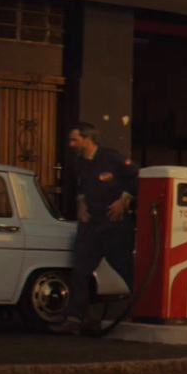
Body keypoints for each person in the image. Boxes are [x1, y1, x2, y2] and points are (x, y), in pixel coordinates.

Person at [51, 121, 140, 335]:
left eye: (75, 139)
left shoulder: (112, 158)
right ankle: (76, 319)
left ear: (87, 139)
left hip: (114, 226)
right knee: (80, 272)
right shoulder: (80, 163)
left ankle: (142, 310)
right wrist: (81, 203)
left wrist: (125, 200)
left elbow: (137, 175)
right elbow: (80, 186)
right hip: (90, 226)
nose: (71, 144)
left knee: (127, 270)